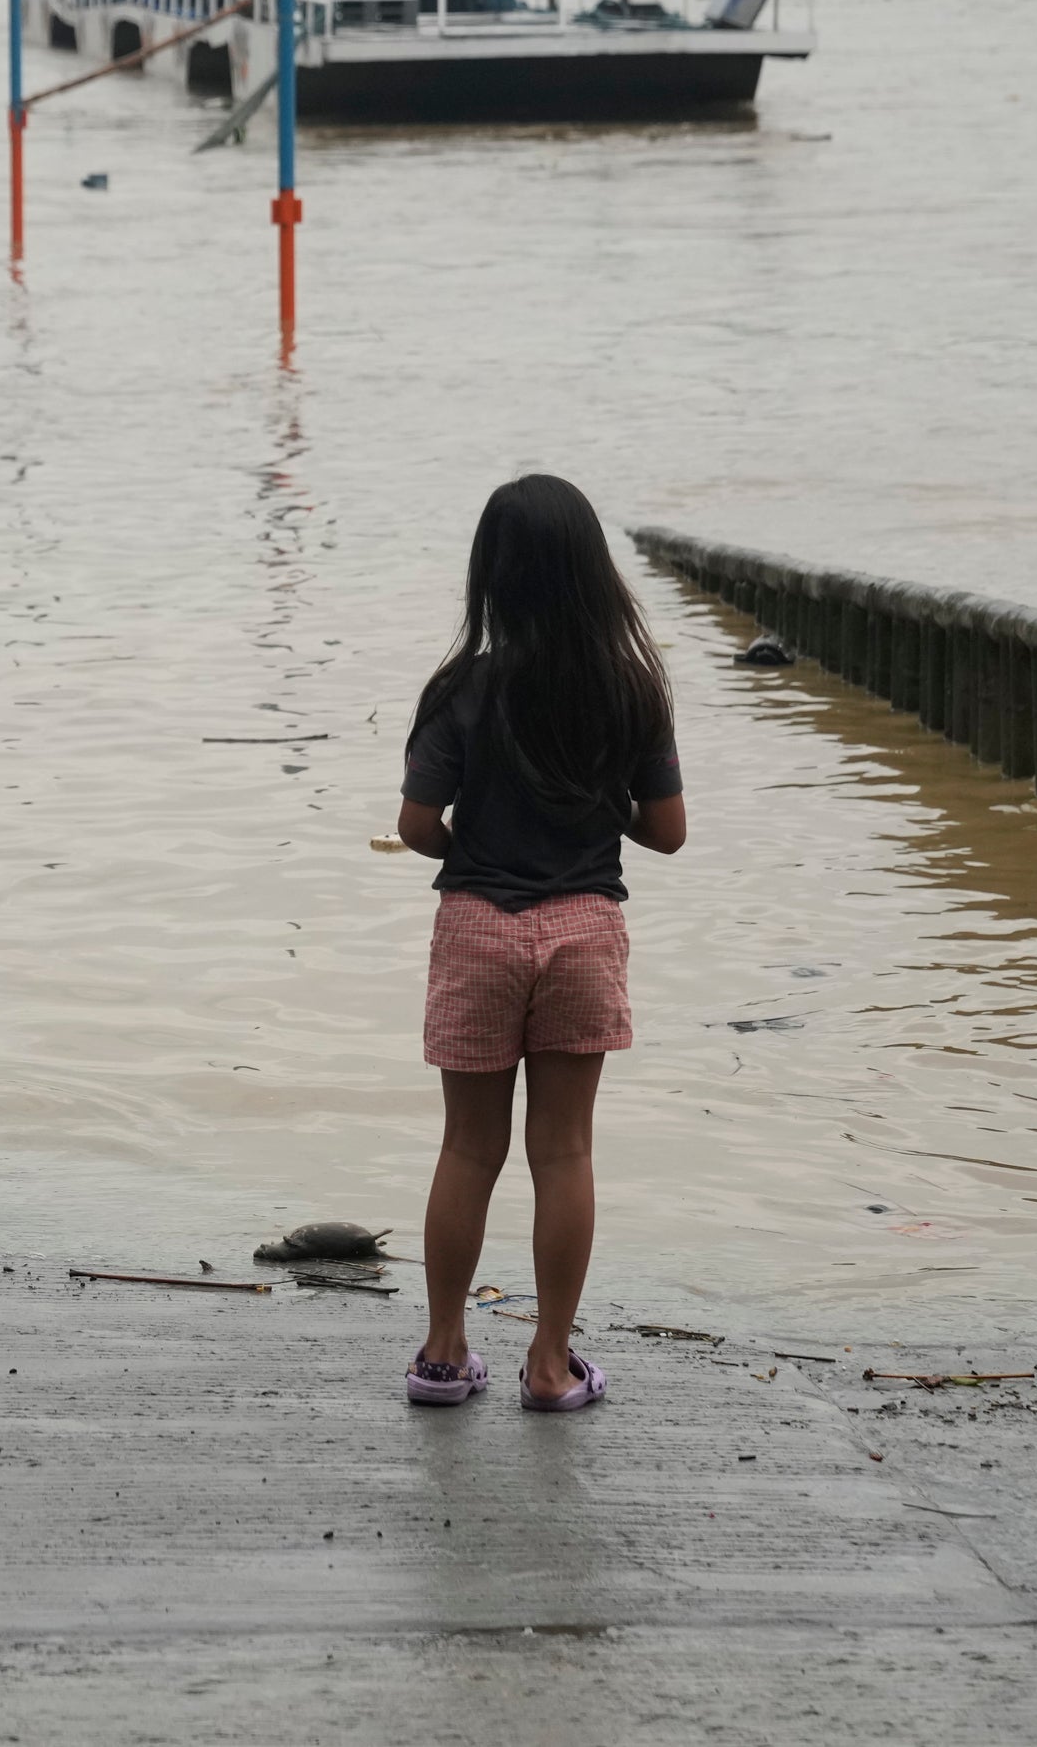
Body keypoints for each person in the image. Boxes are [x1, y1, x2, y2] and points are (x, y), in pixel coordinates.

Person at [389, 475, 685, 1411]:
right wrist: (600, 804)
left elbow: (415, 824)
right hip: (584, 928)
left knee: (468, 1148)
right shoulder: (630, 687)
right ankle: (550, 1366)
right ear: (593, 570)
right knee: (562, 1152)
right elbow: (668, 830)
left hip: (479, 925)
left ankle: (443, 1355)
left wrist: (466, 841)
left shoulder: (461, 687)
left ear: (491, 574)